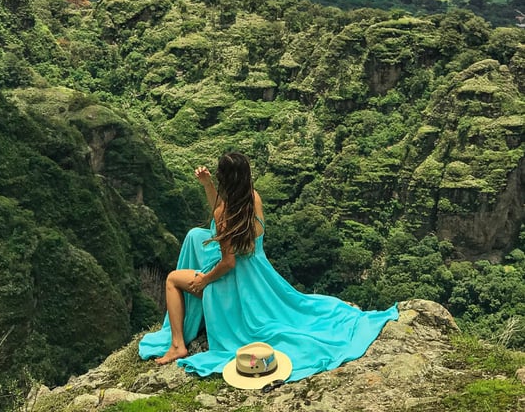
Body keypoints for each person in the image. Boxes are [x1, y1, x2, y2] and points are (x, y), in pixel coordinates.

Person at [138, 151, 399, 382]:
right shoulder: (253, 199)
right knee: (197, 234)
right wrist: (207, 185)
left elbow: (227, 261)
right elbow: (223, 215)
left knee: (173, 279)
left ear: (224, 179)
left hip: (230, 285)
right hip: (258, 276)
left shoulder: (223, 214)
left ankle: (177, 345)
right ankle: (194, 317)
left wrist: (205, 280)